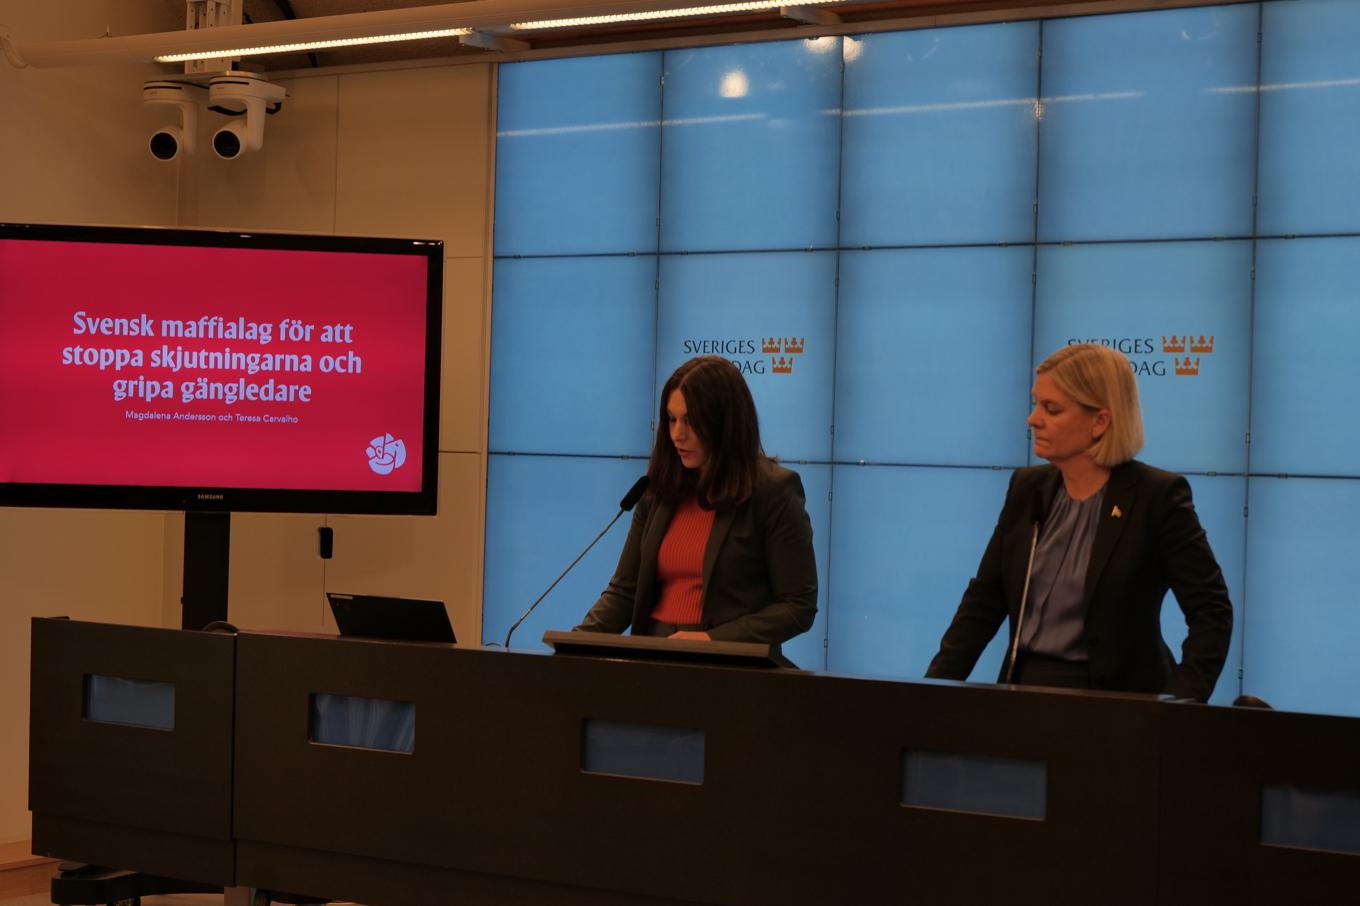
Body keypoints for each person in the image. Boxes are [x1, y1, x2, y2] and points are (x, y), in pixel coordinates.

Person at [925, 343, 1232, 702]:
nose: (1033, 418)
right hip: (1021, 695)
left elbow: (1211, 612)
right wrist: (931, 693)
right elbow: (984, 603)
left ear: (1100, 422)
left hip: (1119, 708)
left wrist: (1180, 705)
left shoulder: (1157, 497)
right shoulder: (1026, 488)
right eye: (1036, 403)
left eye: (1051, 409)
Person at [575, 355, 817, 648]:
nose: (677, 434)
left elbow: (797, 606)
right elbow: (624, 593)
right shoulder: (657, 490)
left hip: (729, 670)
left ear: (725, 422)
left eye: (691, 420)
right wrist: (573, 645)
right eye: (671, 419)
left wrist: (711, 641)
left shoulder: (774, 491)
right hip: (652, 663)